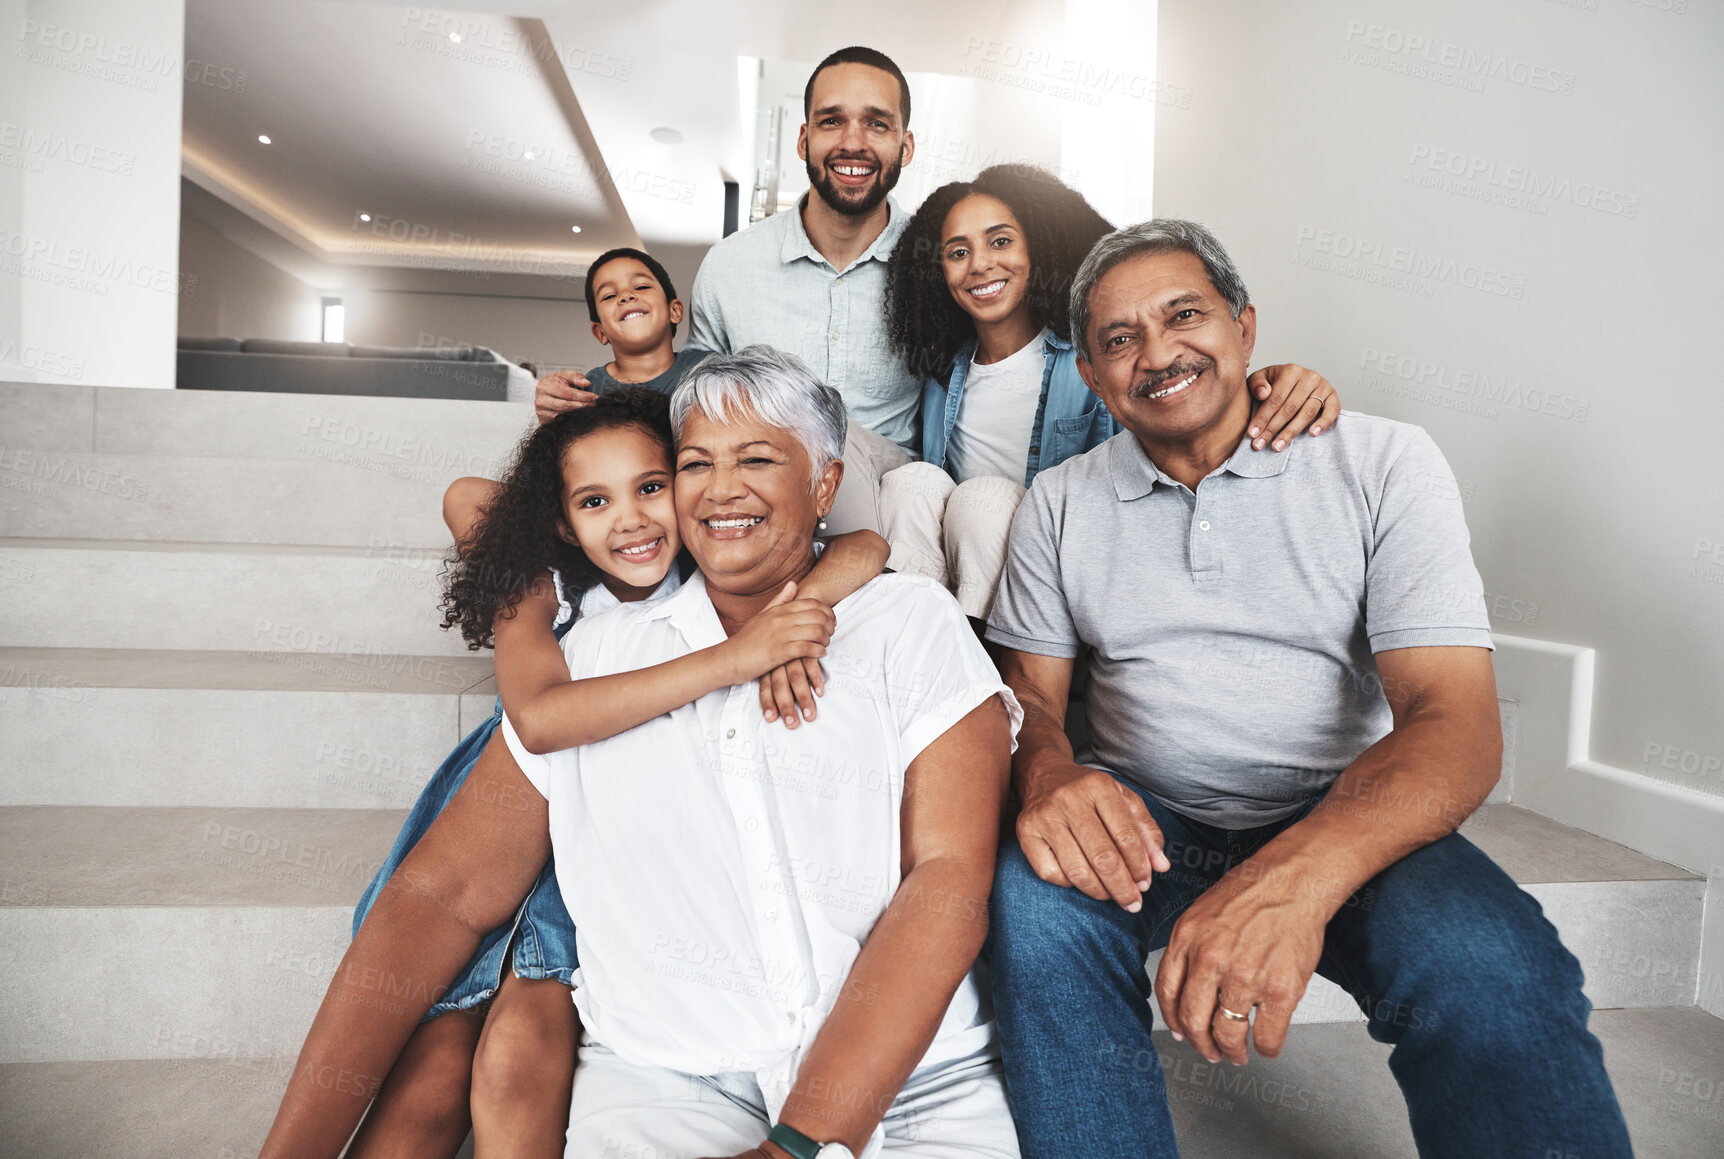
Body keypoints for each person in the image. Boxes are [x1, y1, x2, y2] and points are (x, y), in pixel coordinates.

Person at [982, 220, 1632, 1158]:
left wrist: (1292, 881)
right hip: (1152, 815)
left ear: (1246, 328)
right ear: (1091, 375)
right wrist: (1046, 772)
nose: (1157, 353)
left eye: (1184, 316)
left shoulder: (1383, 462)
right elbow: (1030, 700)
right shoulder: (1059, 501)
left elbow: (1456, 725)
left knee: (1491, 963)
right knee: (1034, 911)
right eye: (1120, 340)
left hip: (1350, 806)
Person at [260, 389, 888, 1159]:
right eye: (594, 500)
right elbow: (538, 711)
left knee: (501, 1059)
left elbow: (866, 545)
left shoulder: (713, 561)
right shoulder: (550, 585)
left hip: (605, 832)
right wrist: (738, 655)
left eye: (652, 486)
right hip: (531, 784)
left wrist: (797, 614)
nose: (629, 518)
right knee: (431, 1058)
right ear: (559, 518)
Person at [499, 346, 1023, 1158]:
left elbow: (949, 879)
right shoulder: (600, 651)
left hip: (918, 1080)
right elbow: (448, 890)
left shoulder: (909, 622)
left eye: (757, 457)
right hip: (666, 1084)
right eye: (696, 462)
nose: (722, 487)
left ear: (823, 484)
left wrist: (802, 1142)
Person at [878, 164, 1341, 620]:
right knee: (911, 482)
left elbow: (1178, 398)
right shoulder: (942, 369)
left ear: (1037, 245)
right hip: (965, 562)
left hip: (1058, 554)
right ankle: (914, 638)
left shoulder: (1101, 356)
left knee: (985, 502)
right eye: (958, 253)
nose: (980, 264)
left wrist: (1278, 381)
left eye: (1001, 241)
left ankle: (992, 658)